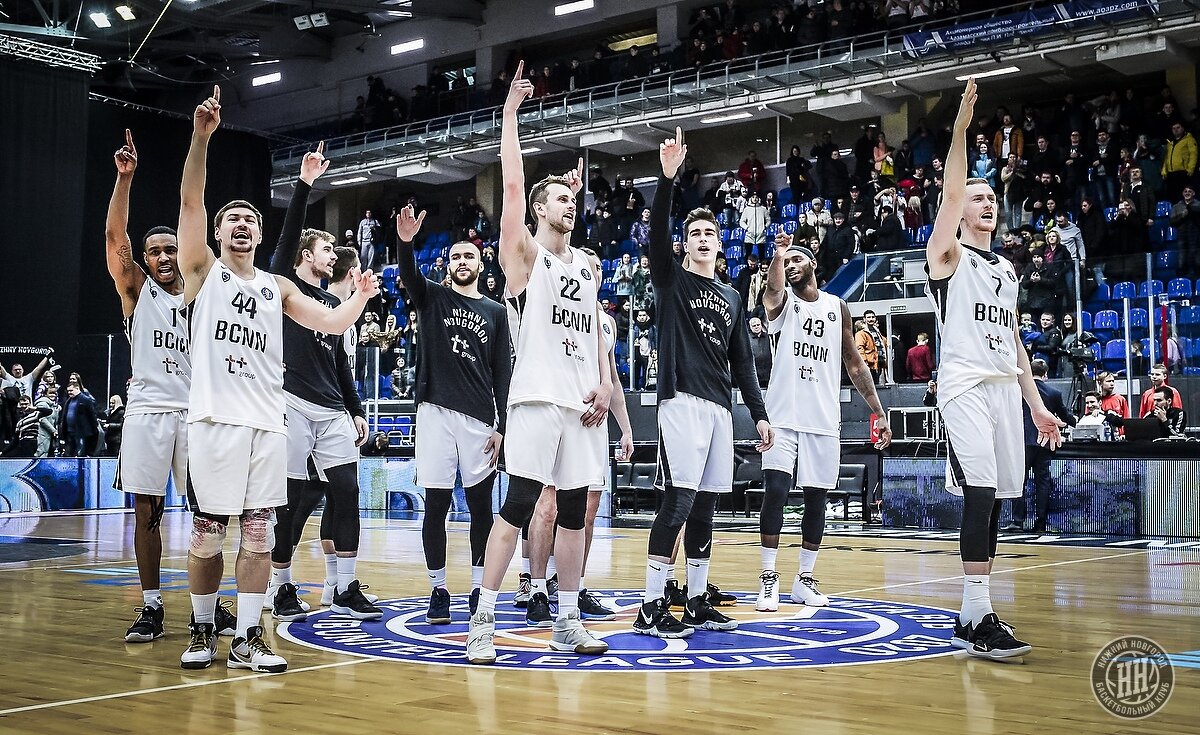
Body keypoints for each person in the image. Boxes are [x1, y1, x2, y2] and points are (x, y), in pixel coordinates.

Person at [175, 86, 377, 673]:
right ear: (217, 235)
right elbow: (190, 202)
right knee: (208, 534)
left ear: (260, 238)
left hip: (268, 423)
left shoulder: (277, 287)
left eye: (250, 220)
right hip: (214, 421)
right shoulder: (202, 274)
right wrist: (201, 138)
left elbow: (333, 323)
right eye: (232, 219)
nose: (242, 224)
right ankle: (202, 628)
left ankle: (247, 637)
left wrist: (359, 299)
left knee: (260, 534)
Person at [466, 64, 613, 665]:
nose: (570, 206)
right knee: (520, 505)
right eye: (559, 198)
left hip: (583, 408)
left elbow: (599, 336)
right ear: (537, 207)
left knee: (576, 515)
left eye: (574, 200)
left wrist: (605, 382)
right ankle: (483, 620)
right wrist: (508, 120)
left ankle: (568, 621)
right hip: (534, 402)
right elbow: (508, 190)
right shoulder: (524, 259)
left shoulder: (589, 265)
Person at [925, 79, 1064, 661]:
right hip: (963, 386)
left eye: (991, 199)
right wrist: (960, 130)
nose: (986, 204)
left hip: (1006, 388)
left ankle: (972, 613)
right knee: (980, 488)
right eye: (977, 199)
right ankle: (977, 612)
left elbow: (1014, 345)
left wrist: (1037, 405)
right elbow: (952, 193)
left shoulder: (1006, 269)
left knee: (999, 496)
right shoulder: (947, 255)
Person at [633, 127, 773, 639]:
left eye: (710, 234)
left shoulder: (734, 297)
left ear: (720, 244)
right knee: (679, 500)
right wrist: (667, 181)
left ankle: (695, 600)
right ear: (684, 245)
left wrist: (758, 414)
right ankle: (651, 606)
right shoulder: (670, 279)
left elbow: (744, 365)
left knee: (708, 504)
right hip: (680, 402)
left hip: (718, 407)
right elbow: (654, 235)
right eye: (694, 234)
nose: (703, 240)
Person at [100, 130, 214, 643]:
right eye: (155, 251)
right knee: (147, 509)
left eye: (171, 248)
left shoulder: (203, 289)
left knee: (206, 509)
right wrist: (125, 180)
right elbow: (113, 241)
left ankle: (206, 609)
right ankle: (150, 607)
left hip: (196, 413)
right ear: (144, 259)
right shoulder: (136, 293)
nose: (165, 256)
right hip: (147, 412)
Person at [264, 144, 380, 626]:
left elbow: (342, 363)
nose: (333, 255)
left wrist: (355, 408)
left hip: (331, 407)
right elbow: (288, 233)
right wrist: (305, 183)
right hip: (290, 401)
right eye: (326, 249)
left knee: (348, 491)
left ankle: (344, 585)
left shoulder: (332, 306)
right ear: (304, 255)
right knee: (287, 501)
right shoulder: (283, 287)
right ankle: (280, 583)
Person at [755, 232, 891, 612]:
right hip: (782, 415)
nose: (792, 265)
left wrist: (878, 410)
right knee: (777, 492)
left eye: (798, 258)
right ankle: (768, 577)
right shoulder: (781, 302)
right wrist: (779, 256)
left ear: (814, 264)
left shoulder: (837, 307)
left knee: (817, 498)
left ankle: (804, 579)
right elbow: (771, 288)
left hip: (822, 417)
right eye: (787, 262)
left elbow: (854, 362)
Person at [392, 206, 511, 626]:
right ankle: (438, 589)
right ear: (448, 265)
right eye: (456, 257)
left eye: (469, 257)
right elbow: (408, 275)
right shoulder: (432, 297)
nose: (463, 263)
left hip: (480, 418)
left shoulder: (496, 313)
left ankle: (480, 585)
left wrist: (503, 427)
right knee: (436, 506)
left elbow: (504, 373)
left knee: (481, 507)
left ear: (482, 264)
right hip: (435, 413)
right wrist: (405, 241)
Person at [521, 248, 635, 626]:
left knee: (587, 510)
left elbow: (613, 380)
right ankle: (536, 588)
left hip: (594, 421)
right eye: (589, 265)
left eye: (600, 266)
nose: (595, 271)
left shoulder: (606, 322)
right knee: (547, 507)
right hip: (557, 412)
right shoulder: (548, 303)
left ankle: (575, 586)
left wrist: (626, 429)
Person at [1009, 359, 1076, 533]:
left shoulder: (1019, 390)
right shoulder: (1054, 392)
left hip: (1023, 441)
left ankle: (1017, 521)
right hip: (1045, 441)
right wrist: (1075, 420)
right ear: (1046, 374)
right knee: (1043, 483)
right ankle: (1041, 523)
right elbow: (1065, 416)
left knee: (1019, 482)